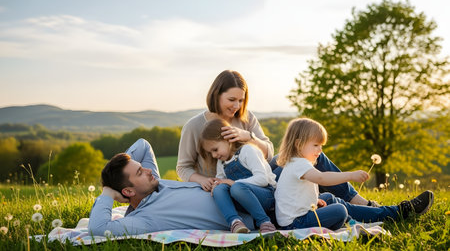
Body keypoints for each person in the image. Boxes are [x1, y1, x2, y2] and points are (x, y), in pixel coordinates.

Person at [176, 69, 376, 207]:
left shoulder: (246, 119)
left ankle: (359, 201)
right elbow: (183, 167)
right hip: (233, 186)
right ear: (216, 95)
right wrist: (202, 180)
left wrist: (249, 137)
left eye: (241, 100)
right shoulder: (195, 126)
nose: (236, 106)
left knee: (312, 156)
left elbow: (269, 152)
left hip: (262, 177)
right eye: (231, 100)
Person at [274, 118, 434, 230]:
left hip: (298, 215)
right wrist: (350, 175)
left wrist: (314, 199)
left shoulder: (295, 162)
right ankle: (388, 214)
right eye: (316, 145)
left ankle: (390, 213)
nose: (320, 150)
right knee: (339, 210)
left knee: (328, 198)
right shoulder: (299, 164)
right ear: (298, 144)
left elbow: (294, 194)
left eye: (321, 145)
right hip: (296, 223)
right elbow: (322, 178)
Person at [88, 138, 255, 236]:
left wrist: (118, 169)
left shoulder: (153, 183)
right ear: (129, 191)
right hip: (250, 208)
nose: (147, 170)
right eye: (139, 172)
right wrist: (108, 192)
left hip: (245, 185)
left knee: (277, 160)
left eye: (141, 167)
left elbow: (142, 145)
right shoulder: (145, 219)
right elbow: (98, 229)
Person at [199, 118, 277, 233]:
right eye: (211, 153)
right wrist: (215, 185)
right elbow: (222, 181)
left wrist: (234, 183)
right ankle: (235, 222)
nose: (214, 155)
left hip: (266, 196)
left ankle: (265, 222)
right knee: (219, 189)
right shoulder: (222, 162)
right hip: (242, 199)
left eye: (215, 150)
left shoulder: (247, 151)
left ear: (228, 140)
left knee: (237, 188)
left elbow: (263, 179)